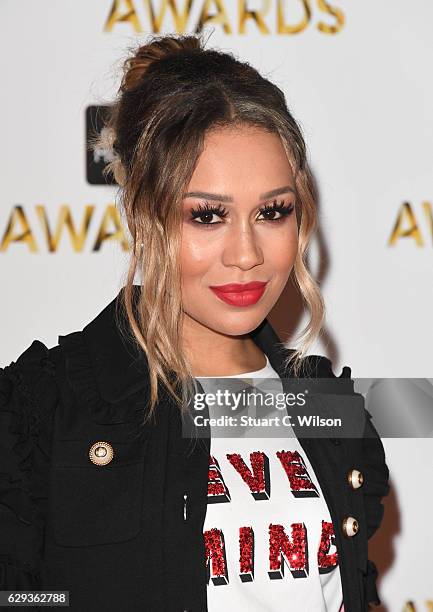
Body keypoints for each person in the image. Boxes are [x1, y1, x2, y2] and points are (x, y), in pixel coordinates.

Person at [0, 33, 389, 612]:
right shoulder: (45, 407)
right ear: (142, 214)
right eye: (207, 215)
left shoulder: (326, 404)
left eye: (272, 211)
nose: (246, 253)